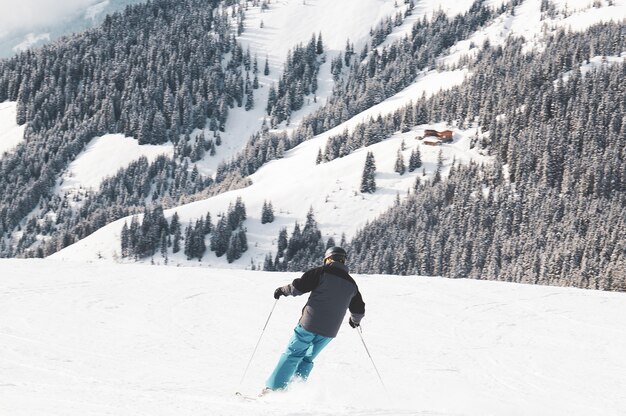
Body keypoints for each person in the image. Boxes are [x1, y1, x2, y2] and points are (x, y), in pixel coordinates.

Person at [265, 246, 365, 392]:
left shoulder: (321, 272)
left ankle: (273, 390)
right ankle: (294, 391)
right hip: (329, 331)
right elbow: (359, 308)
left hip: (309, 324)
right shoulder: (352, 284)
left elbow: (298, 287)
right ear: (343, 261)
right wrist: (355, 321)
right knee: (307, 358)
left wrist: (282, 290)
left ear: (328, 259)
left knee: (293, 354)